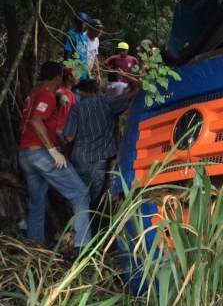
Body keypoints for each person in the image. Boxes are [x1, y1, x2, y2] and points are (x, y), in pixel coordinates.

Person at [18, 61, 92, 259]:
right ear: (58, 78)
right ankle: (82, 246)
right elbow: (36, 120)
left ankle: (34, 249)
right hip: (41, 153)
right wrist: (52, 150)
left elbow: (25, 123)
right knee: (80, 193)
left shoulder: (32, 94)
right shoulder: (47, 95)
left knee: (37, 202)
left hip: (25, 154)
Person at [63, 79, 141, 208]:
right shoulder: (107, 103)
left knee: (79, 196)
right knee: (92, 199)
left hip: (81, 157)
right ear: (97, 90)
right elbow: (135, 92)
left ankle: (75, 224)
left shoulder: (76, 108)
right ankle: (89, 225)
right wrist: (132, 80)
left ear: (81, 91)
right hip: (100, 160)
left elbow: (69, 138)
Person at [63, 11, 90, 80]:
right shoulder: (71, 34)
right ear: (75, 22)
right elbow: (67, 57)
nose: (82, 25)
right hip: (74, 75)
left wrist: (87, 73)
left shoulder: (85, 38)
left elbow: (84, 57)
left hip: (83, 73)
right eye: (80, 22)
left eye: (84, 23)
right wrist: (72, 74)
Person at [55, 67, 78, 144]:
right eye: (76, 75)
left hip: (67, 130)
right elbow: (58, 92)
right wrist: (62, 96)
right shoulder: (60, 89)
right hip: (58, 129)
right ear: (70, 77)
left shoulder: (72, 95)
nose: (78, 77)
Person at [85, 19, 103, 85]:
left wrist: (98, 75)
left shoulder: (96, 40)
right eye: (97, 28)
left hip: (88, 71)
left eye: (101, 29)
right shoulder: (83, 38)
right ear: (90, 28)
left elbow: (95, 57)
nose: (99, 31)